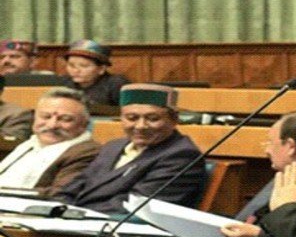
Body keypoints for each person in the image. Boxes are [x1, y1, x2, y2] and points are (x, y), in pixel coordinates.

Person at [56, 84, 205, 214]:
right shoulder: (112, 146)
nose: (140, 126)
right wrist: (56, 208)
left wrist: (76, 214)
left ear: (174, 119)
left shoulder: (182, 155)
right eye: (132, 118)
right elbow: (73, 188)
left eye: (153, 119)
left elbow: (136, 206)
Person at [221, 111, 296, 232]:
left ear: (291, 146)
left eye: (270, 142)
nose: (267, 150)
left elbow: (295, 233)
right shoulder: (288, 174)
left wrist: (257, 234)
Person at [0, 88, 100, 195]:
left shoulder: (86, 152)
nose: (52, 125)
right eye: (46, 117)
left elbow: (62, 194)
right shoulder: (30, 144)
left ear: (84, 125)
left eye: (65, 119)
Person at [62, 40, 132, 108]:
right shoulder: (63, 82)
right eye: (71, 65)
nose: (76, 70)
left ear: (101, 69)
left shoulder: (116, 84)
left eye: (84, 66)